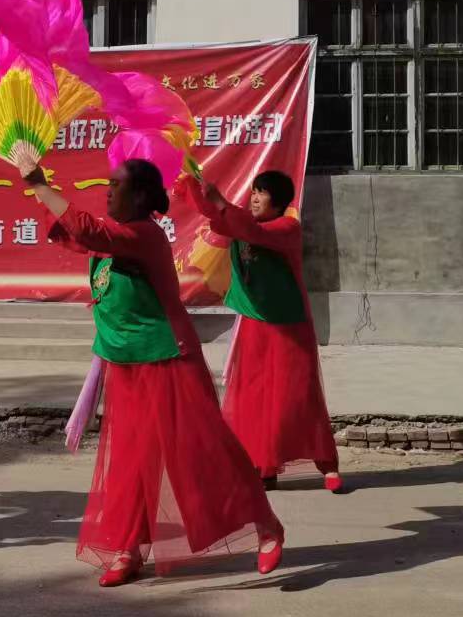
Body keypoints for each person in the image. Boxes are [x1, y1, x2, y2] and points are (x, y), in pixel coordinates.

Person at [25, 158, 285, 587]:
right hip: (125, 362)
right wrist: (38, 192)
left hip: (169, 358)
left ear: (142, 197)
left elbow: (90, 230)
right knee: (130, 459)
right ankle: (130, 547)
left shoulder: (143, 235)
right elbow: (77, 233)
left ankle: (266, 526)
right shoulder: (112, 242)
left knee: (204, 451)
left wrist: (41, 184)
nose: (108, 191)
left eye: (116, 185)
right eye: (107, 184)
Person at [183, 170, 343, 492]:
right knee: (255, 395)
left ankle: (328, 465)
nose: (254, 197)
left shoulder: (287, 228)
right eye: (253, 191)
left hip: (289, 324)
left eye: (262, 193)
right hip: (256, 323)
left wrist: (219, 200)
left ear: (281, 201)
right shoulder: (245, 226)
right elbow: (219, 219)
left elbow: (248, 229)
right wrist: (196, 189)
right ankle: (264, 467)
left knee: (298, 395)